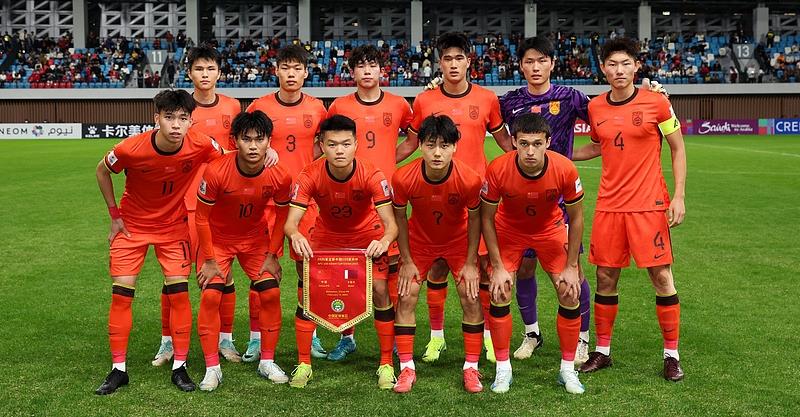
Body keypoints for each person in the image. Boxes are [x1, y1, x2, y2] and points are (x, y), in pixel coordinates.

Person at [94, 89, 225, 395]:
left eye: (183, 118)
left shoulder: (201, 143)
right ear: (157, 119)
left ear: (191, 121)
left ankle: (180, 366)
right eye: (169, 117)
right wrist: (114, 215)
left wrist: (265, 154)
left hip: (172, 228)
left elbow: (227, 160)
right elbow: (101, 171)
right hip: (132, 229)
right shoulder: (131, 148)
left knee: (179, 296)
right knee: (121, 297)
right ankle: (118, 370)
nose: (176, 125)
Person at [572, 37, 686, 382]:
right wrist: (560, 153)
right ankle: (602, 352)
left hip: (648, 206)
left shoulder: (657, 102)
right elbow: (596, 146)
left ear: (637, 66)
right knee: (605, 278)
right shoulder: (596, 107)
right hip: (609, 206)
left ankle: (671, 356)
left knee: (661, 278)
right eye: (612, 64)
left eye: (626, 63)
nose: (619, 70)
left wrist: (678, 196)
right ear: (602, 68)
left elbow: (678, 148)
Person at [396, 32, 513, 364]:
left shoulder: (487, 99)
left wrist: (527, 168)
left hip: (475, 197)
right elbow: (410, 144)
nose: (453, 64)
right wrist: (376, 165)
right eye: (447, 58)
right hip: (435, 195)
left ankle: (486, 337)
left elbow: (505, 143)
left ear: (469, 61)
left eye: (459, 58)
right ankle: (437, 338)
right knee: (435, 270)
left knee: (481, 271)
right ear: (439, 63)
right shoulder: (425, 101)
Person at [152, 43, 251, 368]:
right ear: (189, 72)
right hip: (182, 202)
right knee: (174, 277)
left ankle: (225, 339)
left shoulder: (233, 106)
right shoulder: (180, 109)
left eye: (210, 68)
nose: (205, 74)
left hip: (222, 203)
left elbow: (241, 147)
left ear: (219, 72)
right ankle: (167, 342)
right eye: (199, 69)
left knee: (224, 275)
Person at [285, 115, 399, 389]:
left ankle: (386, 364)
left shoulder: (372, 174)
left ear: (356, 144)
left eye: (346, 144)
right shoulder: (309, 174)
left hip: (366, 234)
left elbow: (392, 225)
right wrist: (296, 234)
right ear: (321, 145)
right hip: (328, 235)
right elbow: (290, 223)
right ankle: (304, 364)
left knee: (380, 290)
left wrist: (384, 241)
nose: (339, 150)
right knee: (307, 292)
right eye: (333, 144)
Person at [481, 113, 586, 394]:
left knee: (569, 292)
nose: (530, 151)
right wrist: (497, 266)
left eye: (537, 144)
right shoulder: (498, 168)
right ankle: (503, 369)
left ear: (548, 142)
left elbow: (577, 218)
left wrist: (572, 266)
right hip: (509, 231)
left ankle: (567, 370)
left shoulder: (564, 168)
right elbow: (486, 218)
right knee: (500, 291)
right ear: (514, 142)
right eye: (524, 143)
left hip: (550, 230)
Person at [325, 44, 413, 361]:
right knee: (347, 272)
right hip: (350, 198)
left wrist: (390, 160)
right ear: (352, 72)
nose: (366, 71)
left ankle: (393, 339)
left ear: (381, 70)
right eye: (360, 66)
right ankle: (346, 336)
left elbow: (414, 138)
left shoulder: (399, 104)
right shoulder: (339, 105)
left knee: (389, 271)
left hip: (386, 197)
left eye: (372, 65)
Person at [194, 111, 293, 391]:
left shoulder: (280, 175)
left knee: (270, 292)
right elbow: (201, 218)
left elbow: (282, 216)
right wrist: (209, 260)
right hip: (218, 241)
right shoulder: (216, 171)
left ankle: (267, 361)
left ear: (269, 141)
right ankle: (212, 368)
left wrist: (272, 255)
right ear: (234, 140)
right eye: (246, 139)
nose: (252, 146)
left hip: (255, 241)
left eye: (259, 140)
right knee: (211, 296)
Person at [246, 44, 328, 362]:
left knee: (306, 269)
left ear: (306, 73)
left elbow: (326, 145)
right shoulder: (260, 106)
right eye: (285, 67)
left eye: (297, 68)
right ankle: (256, 338)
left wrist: (307, 162)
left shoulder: (318, 108)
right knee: (260, 270)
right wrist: (264, 151)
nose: (291, 74)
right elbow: (243, 143)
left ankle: (312, 334)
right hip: (266, 201)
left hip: (305, 202)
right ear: (276, 71)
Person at [391, 115, 484, 394]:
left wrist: (471, 262)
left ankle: (471, 367)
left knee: (470, 295)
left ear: (455, 147)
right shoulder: (403, 177)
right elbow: (400, 219)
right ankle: (406, 367)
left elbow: (476, 220)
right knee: (406, 295)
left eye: (444, 145)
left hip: (457, 242)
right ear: (420, 145)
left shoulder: (470, 179)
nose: (437, 153)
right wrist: (407, 260)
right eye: (431, 145)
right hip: (420, 242)